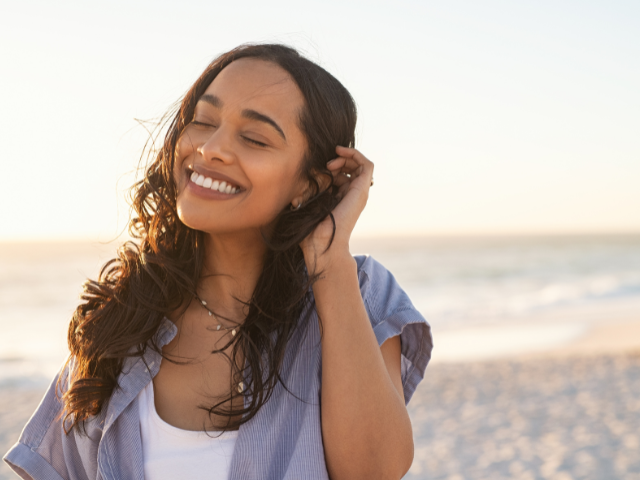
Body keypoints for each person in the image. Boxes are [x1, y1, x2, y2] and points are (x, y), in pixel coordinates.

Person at [3, 44, 433, 480]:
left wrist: (329, 261)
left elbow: (375, 471)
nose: (211, 149)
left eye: (253, 138)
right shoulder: (120, 320)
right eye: (204, 122)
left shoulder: (355, 292)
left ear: (309, 182)